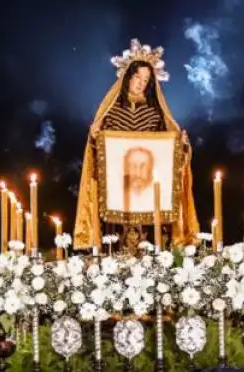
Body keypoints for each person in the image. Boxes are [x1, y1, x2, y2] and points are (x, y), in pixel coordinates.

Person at [73, 38, 199, 250]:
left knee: (149, 243)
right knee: (116, 242)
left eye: (146, 79)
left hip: (148, 192)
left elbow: (167, 155)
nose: (141, 82)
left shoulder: (155, 113)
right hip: (116, 190)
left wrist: (181, 145)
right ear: (127, 77)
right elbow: (99, 156)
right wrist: (95, 139)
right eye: (137, 77)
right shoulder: (110, 112)